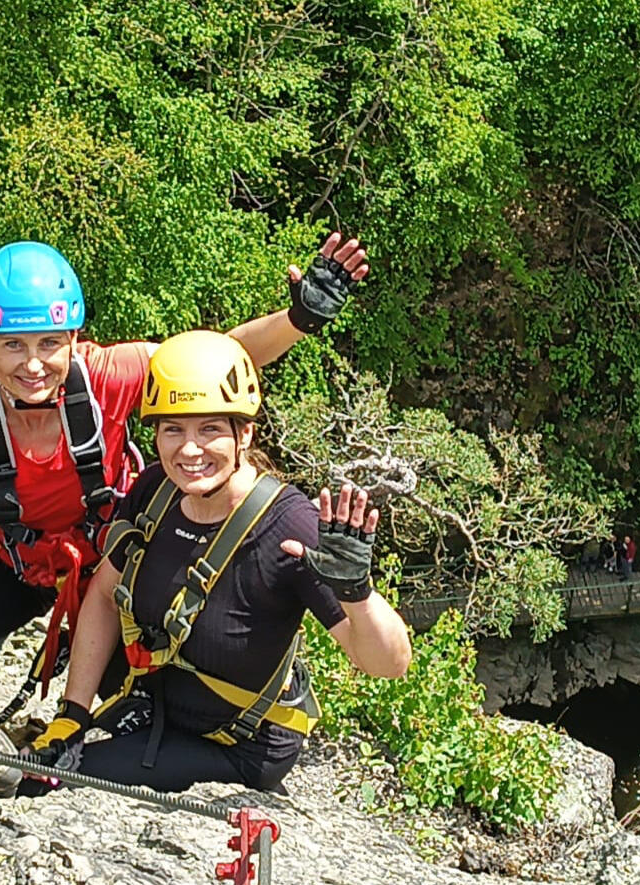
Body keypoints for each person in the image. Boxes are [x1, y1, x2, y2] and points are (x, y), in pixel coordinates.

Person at [0, 233, 370, 795]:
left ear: (75, 340)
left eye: (49, 344)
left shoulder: (109, 374)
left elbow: (215, 364)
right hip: (18, 567)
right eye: (13, 345)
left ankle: (136, 742)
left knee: (149, 686)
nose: (32, 364)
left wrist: (298, 318)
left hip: (113, 567)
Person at [30, 330, 411, 793]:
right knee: (42, 763)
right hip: (156, 701)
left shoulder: (289, 528)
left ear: (244, 433)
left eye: (210, 429)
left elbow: (388, 665)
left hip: (237, 741)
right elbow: (107, 597)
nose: (189, 450)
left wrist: (357, 594)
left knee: (47, 784)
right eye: (173, 429)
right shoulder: (156, 492)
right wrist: (72, 715)